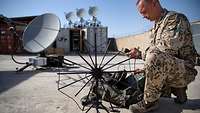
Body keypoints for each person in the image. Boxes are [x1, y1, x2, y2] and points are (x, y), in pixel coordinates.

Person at [128, 0, 198, 112]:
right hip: (171, 67)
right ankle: (177, 91)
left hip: (185, 71)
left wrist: (140, 54)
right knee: (150, 68)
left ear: (154, 3)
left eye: (144, 12)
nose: (143, 17)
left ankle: (149, 102)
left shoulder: (175, 19)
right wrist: (144, 69)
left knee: (153, 58)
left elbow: (166, 50)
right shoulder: (157, 25)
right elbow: (157, 54)